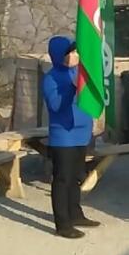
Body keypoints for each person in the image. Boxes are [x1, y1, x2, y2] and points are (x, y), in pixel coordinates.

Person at [41, 36, 98, 239]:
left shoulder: (77, 72)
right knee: (63, 179)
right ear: (59, 56)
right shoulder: (51, 78)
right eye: (71, 53)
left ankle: (75, 214)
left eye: (75, 52)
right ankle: (63, 223)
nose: (75, 56)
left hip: (81, 133)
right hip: (64, 135)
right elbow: (56, 105)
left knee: (76, 177)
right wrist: (73, 88)